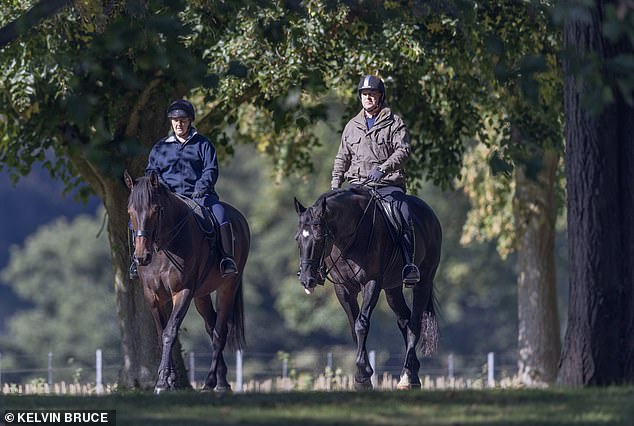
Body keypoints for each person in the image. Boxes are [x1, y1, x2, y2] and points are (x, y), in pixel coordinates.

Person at [129, 99, 237, 279]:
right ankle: (135, 261)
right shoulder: (160, 148)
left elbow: (211, 169)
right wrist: (162, 189)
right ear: (171, 122)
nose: (179, 124)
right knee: (135, 220)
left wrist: (201, 187)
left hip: (199, 196)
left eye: (183, 120)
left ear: (190, 121)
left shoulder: (203, 144)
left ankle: (227, 259)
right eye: (175, 120)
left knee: (221, 215)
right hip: (168, 198)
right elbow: (151, 173)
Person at [331, 75, 420, 286]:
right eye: (364, 94)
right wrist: (335, 186)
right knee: (331, 218)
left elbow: (404, 150)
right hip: (358, 185)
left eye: (372, 94)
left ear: (380, 96)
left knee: (403, 214)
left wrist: (383, 169)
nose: (368, 97)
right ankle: (321, 268)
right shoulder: (351, 126)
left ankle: (408, 266)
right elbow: (342, 157)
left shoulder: (394, 122)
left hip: (387, 184)